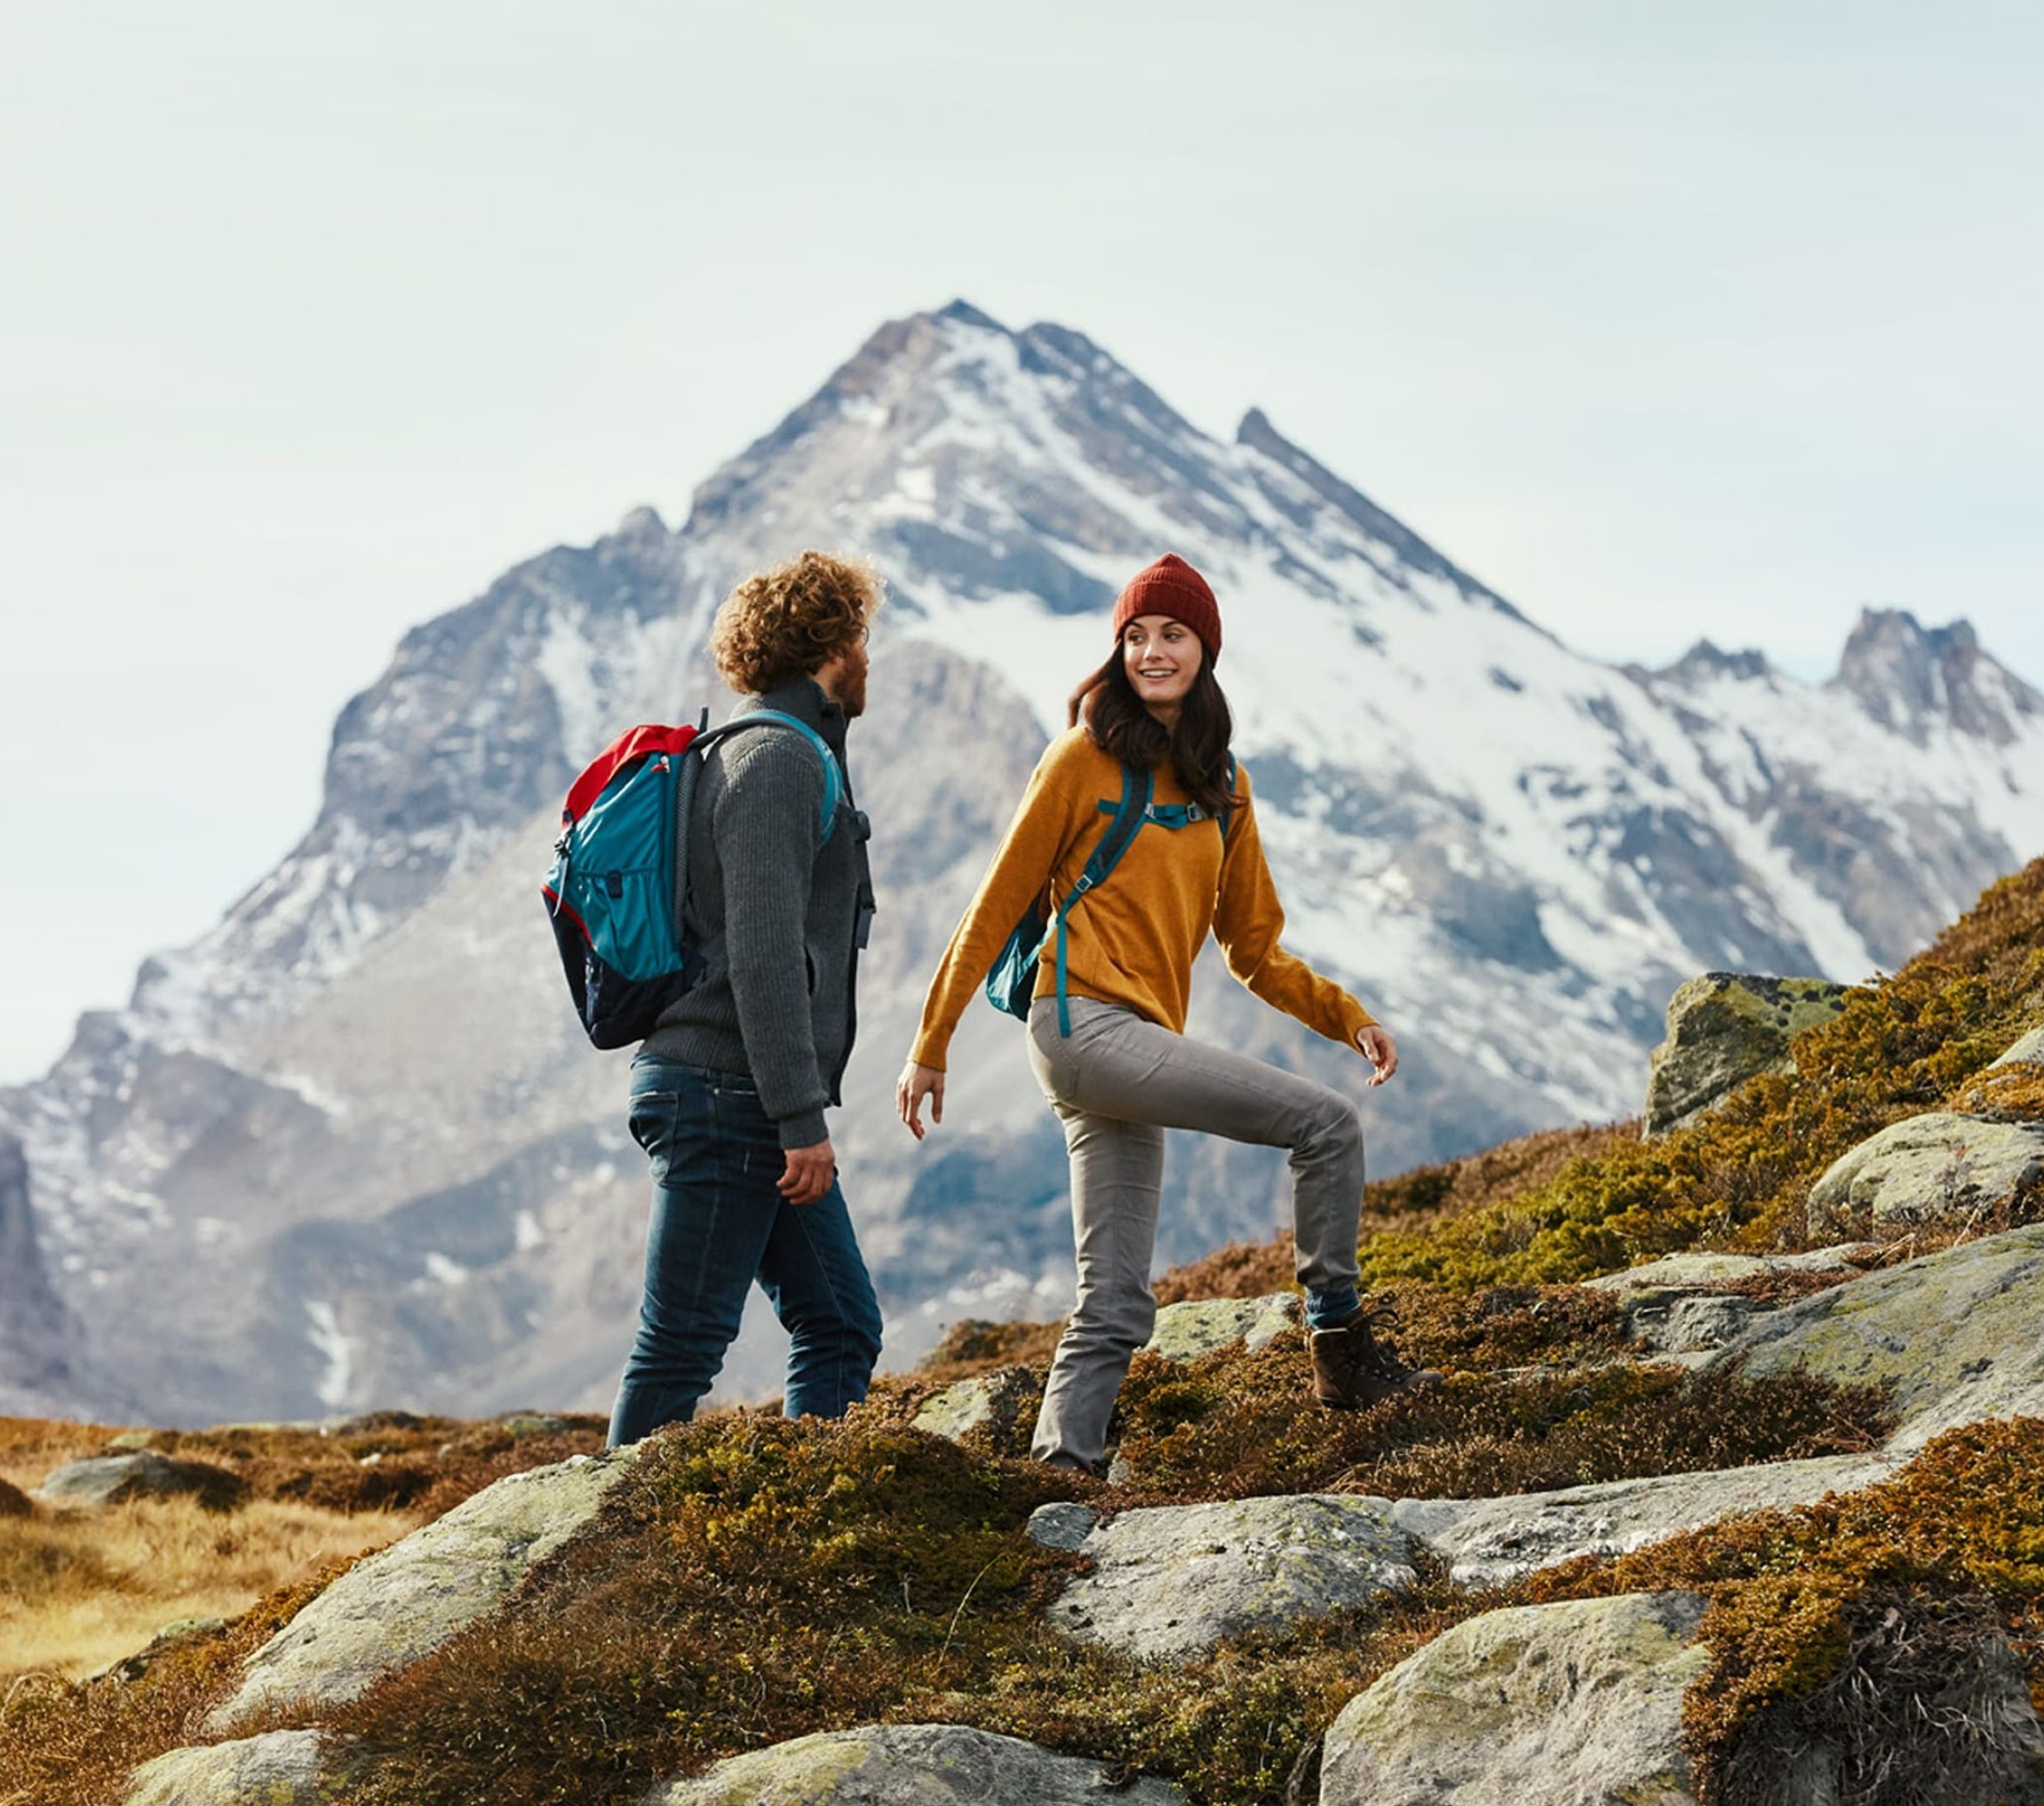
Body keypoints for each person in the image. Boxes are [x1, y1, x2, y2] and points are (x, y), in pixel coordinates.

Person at [899, 552, 1434, 1476]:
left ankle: (1057, 1480)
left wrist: (1346, 1017)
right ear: (1118, 652)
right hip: (1076, 1025)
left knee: (1112, 1299)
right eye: (1136, 636)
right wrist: (931, 1044)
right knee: (1327, 1126)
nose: (1152, 650)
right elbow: (993, 905)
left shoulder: (1224, 784)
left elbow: (1253, 947)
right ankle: (1339, 1350)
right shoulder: (1080, 757)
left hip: (1132, 1044)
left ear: (1204, 650)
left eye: (1172, 634)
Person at [608, 552, 887, 1446]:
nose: (869, 658)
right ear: (829, 648)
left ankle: (813, 1522)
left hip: (735, 1093)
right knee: (682, 1348)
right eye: (862, 637)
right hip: (729, 1094)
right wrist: (800, 1117)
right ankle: (594, 1570)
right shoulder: (773, 761)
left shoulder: (765, 750)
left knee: (840, 1322)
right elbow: (765, 954)